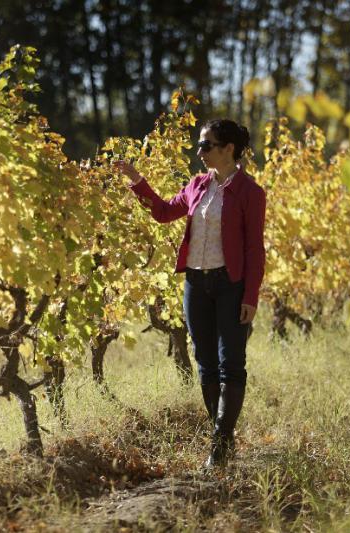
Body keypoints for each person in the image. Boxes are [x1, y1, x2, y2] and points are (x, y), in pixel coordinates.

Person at [114, 118, 266, 468]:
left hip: (231, 284)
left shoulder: (250, 192)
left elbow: (255, 250)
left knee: (232, 364)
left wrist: (250, 296)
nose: (199, 151)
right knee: (206, 363)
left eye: (206, 145)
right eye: (199, 144)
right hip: (196, 284)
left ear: (228, 149)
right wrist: (137, 182)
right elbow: (165, 213)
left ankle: (220, 445)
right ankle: (221, 440)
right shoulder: (197, 185)